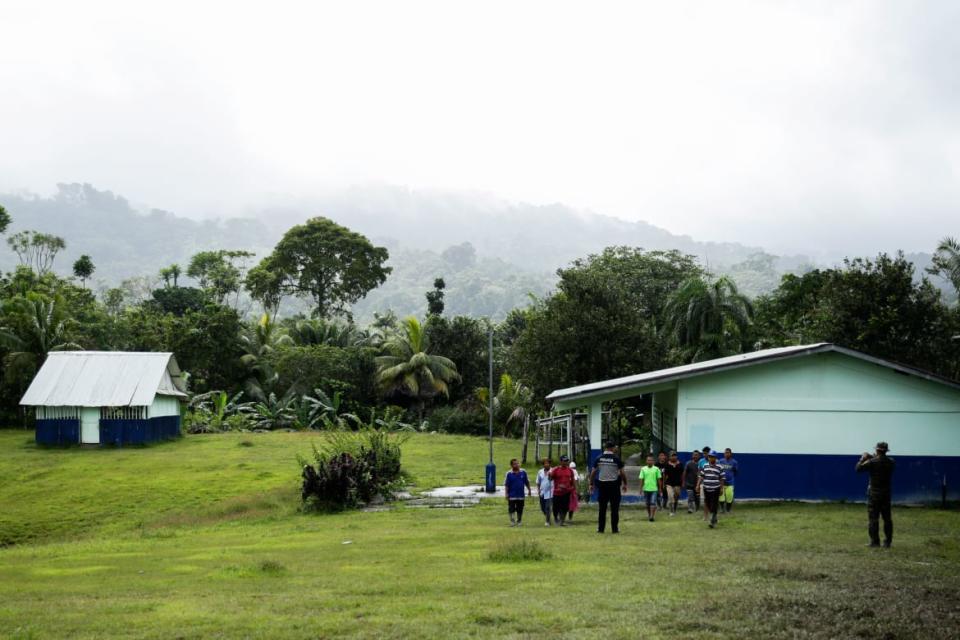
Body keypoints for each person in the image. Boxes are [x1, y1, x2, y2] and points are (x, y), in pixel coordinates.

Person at [856, 442, 895, 548]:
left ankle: (875, 542)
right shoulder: (891, 462)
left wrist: (863, 458)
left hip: (874, 494)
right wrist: (873, 457)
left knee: (873, 518)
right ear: (886, 451)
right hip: (886, 494)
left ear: (877, 450)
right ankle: (888, 542)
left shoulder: (872, 462)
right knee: (887, 518)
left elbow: (858, 469)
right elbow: (882, 461)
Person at [590, 441, 628, 534]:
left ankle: (600, 529)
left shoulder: (599, 458)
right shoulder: (616, 459)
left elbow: (593, 473)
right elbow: (622, 473)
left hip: (602, 486)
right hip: (614, 486)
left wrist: (591, 484)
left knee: (602, 509)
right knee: (614, 509)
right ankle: (614, 529)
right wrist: (625, 483)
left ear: (605, 447)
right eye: (615, 447)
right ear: (612, 448)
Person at [697, 451, 725, 528]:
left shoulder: (720, 467)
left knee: (714, 504)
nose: (710, 458)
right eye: (709, 457)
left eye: (712, 457)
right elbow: (701, 476)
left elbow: (722, 478)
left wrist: (721, 488)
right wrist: (698, 485)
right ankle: (714, 516)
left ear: (715, 458)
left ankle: (712, 521)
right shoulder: (705, 466)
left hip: (716, 488)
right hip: (706, 488)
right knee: (708, 503)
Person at [549, 455, 576, 526]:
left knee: (565, 508)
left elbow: (573, 481)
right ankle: (556, 518)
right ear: (561, 461)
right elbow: (550, 479)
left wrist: (573, 489)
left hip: (566, 492)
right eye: (564, 461)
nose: (566, 462)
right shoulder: (556, 469)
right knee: (555, 508)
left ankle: (562, 521)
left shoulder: (570, 470)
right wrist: (549, 475)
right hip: (557, 492)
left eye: (567, 461)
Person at [503, 458, 531, 527]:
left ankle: (519, 521)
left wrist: (529, 490)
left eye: (518, 463)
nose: (517, 465)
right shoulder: (509, 474)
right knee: (511, 509)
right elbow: (507, 485)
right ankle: (512, 521)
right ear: (511, 465)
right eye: (515, 464)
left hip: (521, 495)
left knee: (520, 509)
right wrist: (506, 494)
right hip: (512, 495)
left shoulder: (523, 472)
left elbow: (526, 482)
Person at [639, 454, 663, 522]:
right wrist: (640, 489)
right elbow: (641, 479)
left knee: (653, 503)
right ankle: (649, 515)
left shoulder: (656, 469)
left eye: (651, 460)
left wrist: (660, 489)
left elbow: (659, 480)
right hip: (646, 489)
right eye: (648, 460)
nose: (649, 461)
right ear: (646, 461)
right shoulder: (643, 469)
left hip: (654, 489)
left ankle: (652, 516)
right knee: (647, 504)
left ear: (653, 461)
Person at [717, 448, 739, 513]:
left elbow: (735, 472)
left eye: (728, 452)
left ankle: (728, 509)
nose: (726, 454)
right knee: (721, 497)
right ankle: (722, 509)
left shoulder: (734, 462)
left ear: (731, 454)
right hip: (721, 483)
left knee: (729, 497)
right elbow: (718, 470)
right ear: (724, 454)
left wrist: (730, 477)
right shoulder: (720, 461)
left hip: (730, 483)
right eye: (725, 452)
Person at [663, 451, 684, 516]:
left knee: (676, 497)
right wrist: (664, 483)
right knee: (670, 496)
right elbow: (665, 475)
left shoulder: (680, 464)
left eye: (675, 455)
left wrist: (683, 482)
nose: (674, 457)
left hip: (677, 484)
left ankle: (674, 509)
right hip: (669, 483)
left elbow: (682, 474)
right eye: (672, 456)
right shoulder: (667, 465)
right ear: (669, 457)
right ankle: (671, 511)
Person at [536, 458, 554, 526]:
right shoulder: (540, 472)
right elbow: (538, 482)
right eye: (545, 463)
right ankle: (548, 517)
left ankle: (547, 521)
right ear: (543, 465)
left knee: (548, 507)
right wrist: (538, 490)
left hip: (550, 492)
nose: (546, 464)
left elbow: (553, 479)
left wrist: (550, 475)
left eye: (548, 463)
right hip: (542, 491)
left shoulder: (553, 471)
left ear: (550, 464)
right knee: (543, 508)